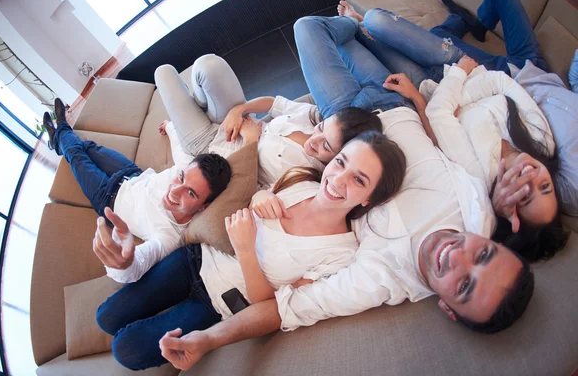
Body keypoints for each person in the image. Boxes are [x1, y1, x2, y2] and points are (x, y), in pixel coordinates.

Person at [158, 107, 535, 372]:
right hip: (384, 112)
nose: (458, 257)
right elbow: (471, 139)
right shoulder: (479, 212)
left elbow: (281, 309)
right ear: (492, 240)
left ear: (449, 309)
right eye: (483, 253)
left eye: (465, 284)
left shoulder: (374, 278)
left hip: (353, 143)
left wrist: (206, 340)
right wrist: (499, 185)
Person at [95, 130, 407, 370]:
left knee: (127, 349)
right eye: (341, 162)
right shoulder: (301, 180)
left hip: (217, 305)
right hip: (195, 259)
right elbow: (256, 196)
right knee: (106, 317)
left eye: (359, 179)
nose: (338, 179)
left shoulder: (340, 255)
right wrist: (258, 199)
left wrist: (246, 251)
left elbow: (270, 308)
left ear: (369, 199)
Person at [334, 0, 569, 260]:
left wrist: (456, 92)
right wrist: (457, 97)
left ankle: (365, 24)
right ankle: (381, 23)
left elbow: (438, 112)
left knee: (360, 37)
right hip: (460, 65)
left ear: (512, 211)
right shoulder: (542, 142)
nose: (532, 177)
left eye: (526, 195)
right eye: (544, 186)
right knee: (377, 21)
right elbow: (501, 82)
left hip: (432, 85)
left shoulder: (478, 175)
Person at [41, 98, 232, 282]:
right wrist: (169, 126)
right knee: (88, 147)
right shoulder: (187, 166)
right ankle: (58, 142)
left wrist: (124, 264)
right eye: (181, 178)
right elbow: (180, 147)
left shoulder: (169, 236)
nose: (174, 191)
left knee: (76, 155)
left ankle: (61, 129)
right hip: (131, 173)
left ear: (203, 206)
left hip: (107, 197)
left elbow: (136, 266)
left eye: (190, 193)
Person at [155, 54, 383, 189]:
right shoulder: (313, 118)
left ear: (340, 157)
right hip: (236, 119)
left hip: (209, 147)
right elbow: (275, 103)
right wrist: (240, 110)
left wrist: (251, 142)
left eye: (326, 146)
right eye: (322, 129)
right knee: (208, 64)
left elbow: (243, 186)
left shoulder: (304, 178)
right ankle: (200, 101)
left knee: (163, 72)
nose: (315, 138)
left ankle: (187, 115)